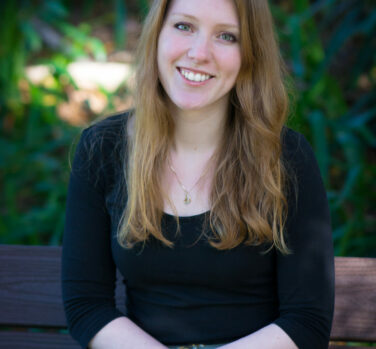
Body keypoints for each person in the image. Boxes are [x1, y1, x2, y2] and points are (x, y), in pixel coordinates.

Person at [62, 0, 335, 348]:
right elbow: (86, 305)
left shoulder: (286, 159)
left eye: (226, 36)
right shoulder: (103, 148)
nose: (199, 52)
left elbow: (307, 320)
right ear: (157, 34)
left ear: (251, 53)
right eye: (184, 26)